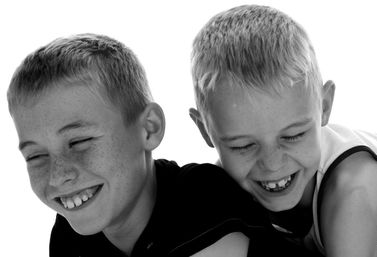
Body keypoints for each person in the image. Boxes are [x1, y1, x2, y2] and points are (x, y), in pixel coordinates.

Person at [7, 33, 308, 257]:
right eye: (35, 156)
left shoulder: (203, 198)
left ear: (149, 129)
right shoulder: (71, 237)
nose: (58, 176)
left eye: (79, 142)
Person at [189, 4, 377, 257]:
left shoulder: (352, 194)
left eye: (293, 136)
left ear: (324, 106)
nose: (272, 164)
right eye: (242, 146)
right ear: (204, 130)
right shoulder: (221, 186)